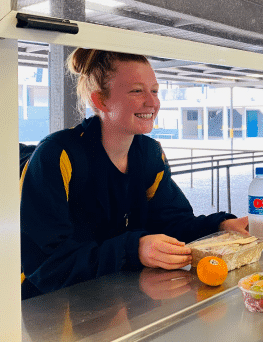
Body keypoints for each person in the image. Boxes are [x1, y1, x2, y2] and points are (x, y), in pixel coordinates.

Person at [20, 48, 249, 300]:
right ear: (100, 101)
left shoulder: (149, 154)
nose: (152, 102)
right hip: (50, 308)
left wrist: (221, 226)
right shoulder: (57, 155)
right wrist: (134, 249)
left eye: (155, 90)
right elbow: (46, 265)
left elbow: (172, 224)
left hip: (120, 299)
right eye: (136, 91)